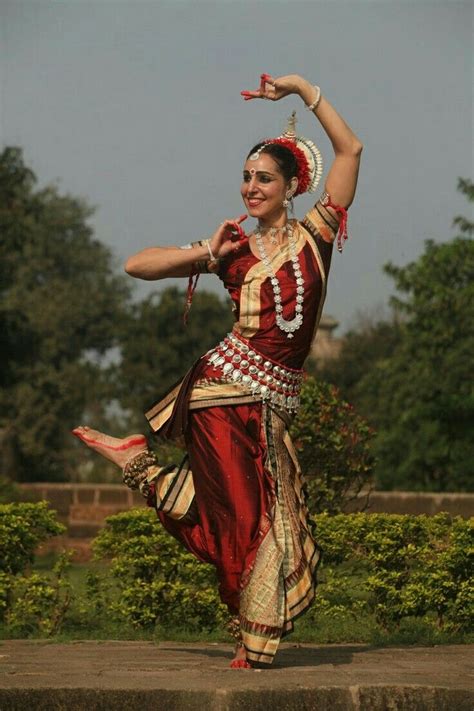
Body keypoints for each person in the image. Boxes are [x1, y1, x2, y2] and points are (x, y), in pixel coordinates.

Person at [73, 73, 362, 668]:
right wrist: (206, 253)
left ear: (291, 187)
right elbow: (137, 264)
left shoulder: (316, 237)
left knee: (247, 518)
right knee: (244, 523)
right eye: (246, 177)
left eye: (263, 179)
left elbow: (350, 150)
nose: (250, 187)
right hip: (220, 395)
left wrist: (305, 90)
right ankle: (252, 639)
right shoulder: (231, 248)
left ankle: (141, 467)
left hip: (275, 403)